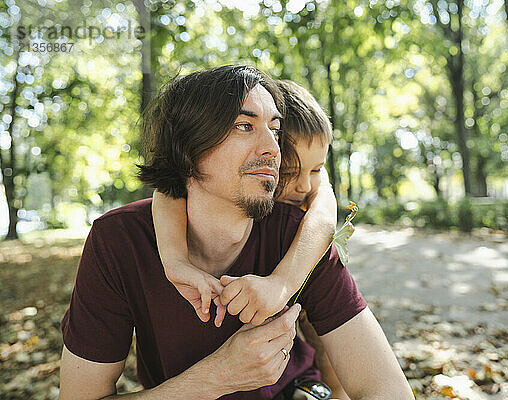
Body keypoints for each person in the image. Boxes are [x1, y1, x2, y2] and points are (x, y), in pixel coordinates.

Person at [59, 65, 414, 399]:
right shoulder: (119, 242)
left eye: (275, 130)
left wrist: (283, 284)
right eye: (245, 126)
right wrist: (216, 377)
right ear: (189, 147)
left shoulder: (299, 236)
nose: (273, 149)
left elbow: (387, 389)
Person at [151, 79, 349, 398]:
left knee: (325, 341)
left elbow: (324, 217)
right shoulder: (245, 180)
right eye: (290, 172)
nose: (304, 187)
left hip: (300, 283)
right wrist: (175, 261)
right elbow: (167, 191)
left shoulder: (305, 196)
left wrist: (282, 283)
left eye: (315, 171)